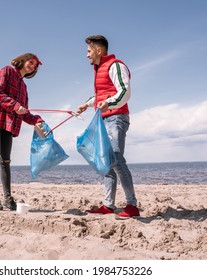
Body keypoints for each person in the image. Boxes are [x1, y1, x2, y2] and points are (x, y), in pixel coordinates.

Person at [77, 35, 140, 218]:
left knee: (117, 159)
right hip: (104, 119)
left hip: (117, 118)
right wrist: (87, 104)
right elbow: (102, 95)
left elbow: (124, 92)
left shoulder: (115, 65)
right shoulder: (99, 69)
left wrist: (109, 104)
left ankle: (132, 206)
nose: (87, 55)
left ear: (98, 50)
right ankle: (108, 205)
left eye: (89, 51)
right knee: (107, 164)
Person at [0, 53, 44, 210]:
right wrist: (15, 105)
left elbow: (24, 113)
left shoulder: (24, 87)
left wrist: (36, 119)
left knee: (6, 161)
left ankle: (8, 199)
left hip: (9, 123)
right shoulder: (6, 71)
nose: (33, 65)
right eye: (31, 61)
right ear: (23, 60)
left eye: (35, 65)